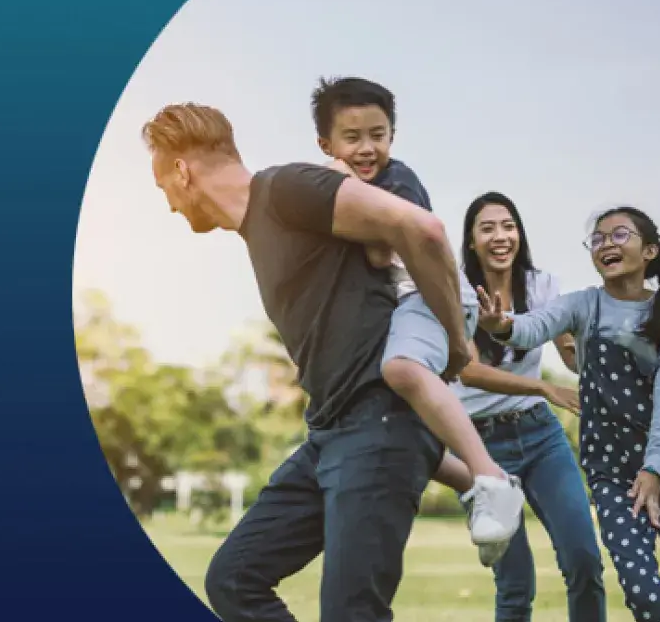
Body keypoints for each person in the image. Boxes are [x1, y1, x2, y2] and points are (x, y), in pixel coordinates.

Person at [139, 101, 515, 622]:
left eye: (163, 187)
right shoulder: (259, 229)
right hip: (329, 435)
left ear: (182, 171)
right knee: (234, 579)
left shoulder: (285, 189)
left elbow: (423, 229)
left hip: (376, 421)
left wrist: (456, 340)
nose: (170, 205)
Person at [309, 76, 525, 556]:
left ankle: (491, 479)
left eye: (378, 134)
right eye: (352, 138)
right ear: (326, 144)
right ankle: (475, 488)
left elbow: (380, 255)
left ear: (393, 135)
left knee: (402, 370)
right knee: (395, 428)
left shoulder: (397, 180)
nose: (368, 148)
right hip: (406, 304)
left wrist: (343, 183)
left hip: (431, 295)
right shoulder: (346, 186)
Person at [478, 205, 660, 621]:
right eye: (598, 239)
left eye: (619, 235)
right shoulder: (583, 305)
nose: (606, 244)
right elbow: (532, 326)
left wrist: (656, 466)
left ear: (650, 251)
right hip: (612, 472)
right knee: (643, 594)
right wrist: (502, 327)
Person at [448, 191, 606, 620]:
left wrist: (601, 348)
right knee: (516, 583)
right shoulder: (454, 291)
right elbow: (468, 370)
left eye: (508, 226)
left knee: (584, 560)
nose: (500, 236)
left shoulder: (541, 286)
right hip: (479, 448)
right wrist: (542, 388)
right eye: (487, 228)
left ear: (519, 234)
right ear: (472, 241)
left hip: (540, 436)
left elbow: (570, 354)